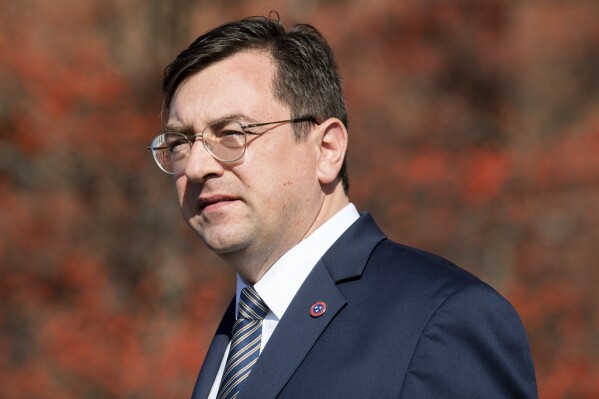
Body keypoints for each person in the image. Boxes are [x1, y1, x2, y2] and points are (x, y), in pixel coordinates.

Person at [147, 14, 538, 399]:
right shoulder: (237, 331)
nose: (196, 167)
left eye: (232, 133)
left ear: (327, 149)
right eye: (180, 143)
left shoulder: (441, 320)